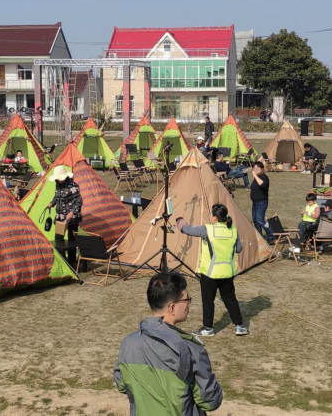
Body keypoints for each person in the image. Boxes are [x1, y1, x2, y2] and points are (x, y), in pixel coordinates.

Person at [114, 272, 223, 415]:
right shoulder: (191, 350)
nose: (188, 304)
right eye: (186, 300)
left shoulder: (129, 343)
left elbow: (122, 385)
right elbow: (210, 401)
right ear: (171, 307)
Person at [175, 204, 248, 337]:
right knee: (230, 299)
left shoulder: (206, 229)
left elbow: (187, 230)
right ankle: (239, 326)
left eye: (211, 214)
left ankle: (208, 328)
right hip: (227, 272)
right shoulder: (233, 230)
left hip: (210, 273)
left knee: (208, 301)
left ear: (214, 218)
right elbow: (238, 249)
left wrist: (180, 221)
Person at [48, 164, 82, 266]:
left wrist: (72, 212)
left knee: (72, 239)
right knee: (58, 239)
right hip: (60, 217)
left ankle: (72, 261)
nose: (58, 180)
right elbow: (56, 196)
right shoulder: (57, 184)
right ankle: (62, 260)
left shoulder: (74, 187)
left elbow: (79, 201)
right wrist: (52, 203)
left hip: (72, 218)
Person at [249, 161, 273, 241]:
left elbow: (262, 185)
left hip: (261, 202)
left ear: (262, 169)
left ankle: (271, 235)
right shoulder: (257, 178)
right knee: (255, 220)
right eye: (254, 169)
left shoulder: (264, 178)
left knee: (260, 220)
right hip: (255, 202)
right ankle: (259, 237)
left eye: (257, 169)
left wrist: (255, 176)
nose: (255, 170)